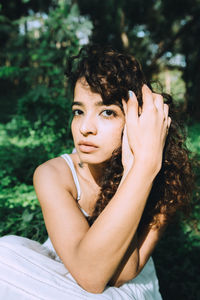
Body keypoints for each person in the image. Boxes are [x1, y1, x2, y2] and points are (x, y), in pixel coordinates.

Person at [0, 45, 193, 299]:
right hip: (64, 268)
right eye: (78, 111)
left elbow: (116, 275)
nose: (85, 128)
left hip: (125, 287)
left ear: (138, 120)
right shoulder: (53, 174)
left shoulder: (162, 177)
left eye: (107, 112)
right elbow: (86, 271)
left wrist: (142, 169)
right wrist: (143, 165)